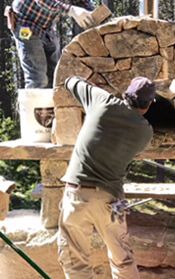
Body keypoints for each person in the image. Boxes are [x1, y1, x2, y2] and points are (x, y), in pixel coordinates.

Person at [58, 76, 156, 279]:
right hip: (111, 201)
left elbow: (70, 81)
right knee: (122, 257)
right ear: (148, 106)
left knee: (76, 261)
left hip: (77, 195)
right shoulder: (145, 132)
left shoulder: (102, 100)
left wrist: (92, 87)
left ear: (126, 94)